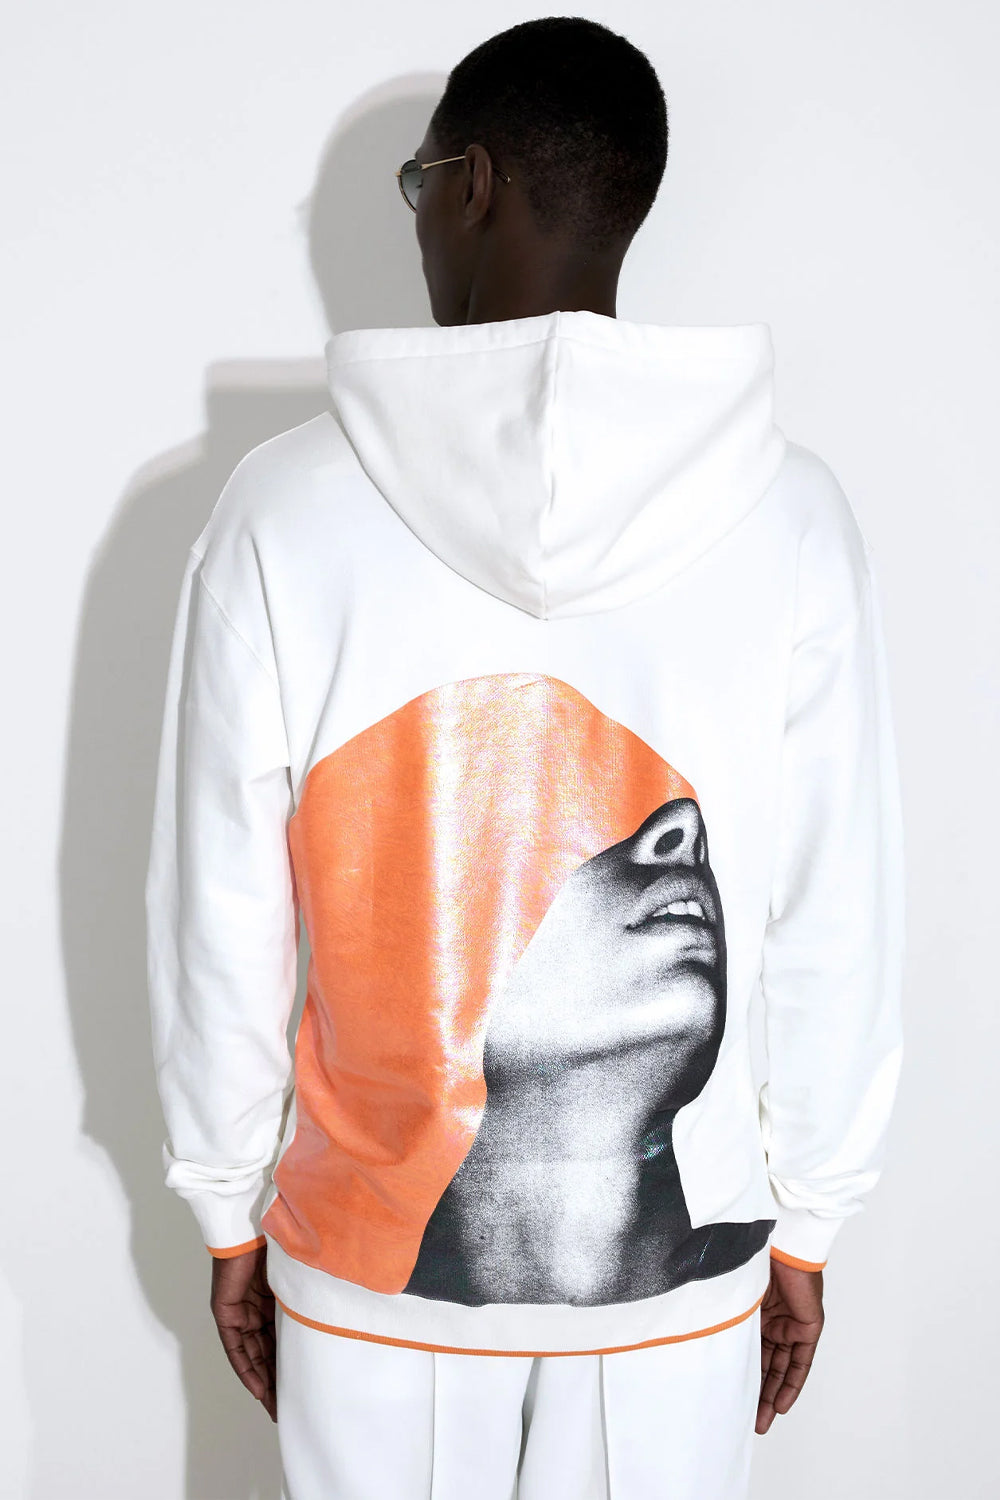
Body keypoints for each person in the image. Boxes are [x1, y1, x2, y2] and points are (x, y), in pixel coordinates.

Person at [144, 16, 905, 1500]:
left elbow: (220, 908)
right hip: (677, 1320)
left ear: (473, 185)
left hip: (362, 1275)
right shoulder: (794, 514)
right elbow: (838, 903)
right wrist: (810, 1221)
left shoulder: (281, 511)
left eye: (418, 184)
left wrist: (228, 1206)